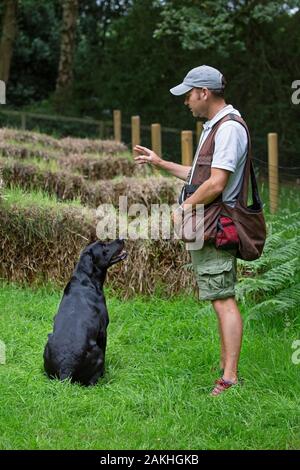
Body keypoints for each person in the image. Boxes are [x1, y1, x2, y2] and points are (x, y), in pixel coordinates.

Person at [134, 65, 248, 396]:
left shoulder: (227, 130)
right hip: (209, 224)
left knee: (224, 299)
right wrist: (160, 163)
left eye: (189, 94)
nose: (186, 101)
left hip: (216, 226)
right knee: (218, 297)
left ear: (204, 93)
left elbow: (216, 183)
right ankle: (227, 367)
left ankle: (229, 379)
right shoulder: (215, 127)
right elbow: (200, 175)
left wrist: (183, 209)